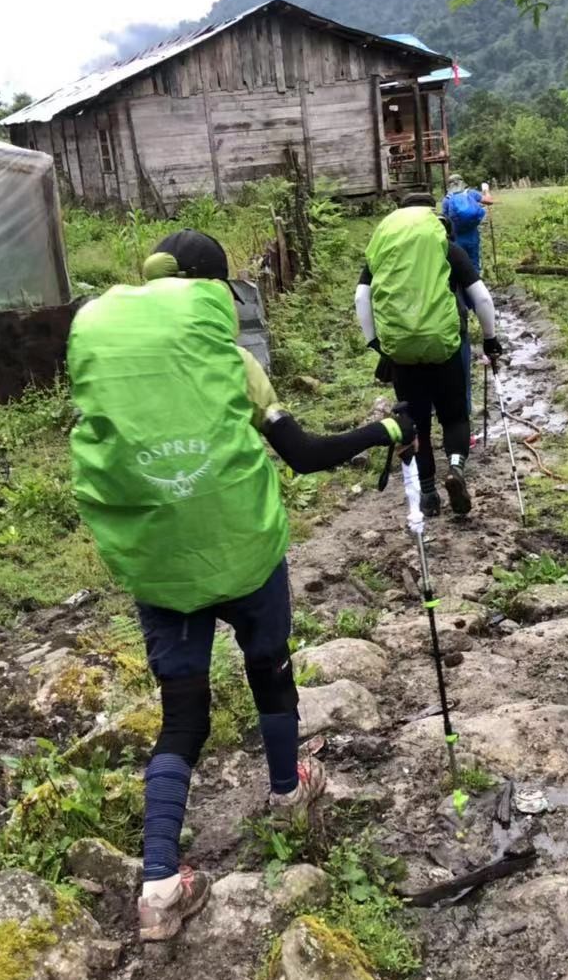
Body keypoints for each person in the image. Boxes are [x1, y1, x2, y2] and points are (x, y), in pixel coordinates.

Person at [67, 229, 416, 943]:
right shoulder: (235, 364)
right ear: (211, 296)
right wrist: (383, 429)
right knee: (269, 671)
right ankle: (289, 791)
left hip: (160, 564)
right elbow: (306, 456)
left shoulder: (107, 368)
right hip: (245, 555)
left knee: (183, 717)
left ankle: (160, 885)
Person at [355, 193, 501, 519]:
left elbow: (361, 298)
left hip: (402, 353)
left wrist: (376, 344)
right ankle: (456, 469)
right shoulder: (445, 245)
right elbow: (482, 299)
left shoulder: (384, 249)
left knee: (416, 422)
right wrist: (490, 340)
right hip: (445, 345)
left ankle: (429, 493)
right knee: (454, 416)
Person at [441, 176, 493, 420]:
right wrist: (486, 191)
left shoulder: (447, 199)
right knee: (474, 276)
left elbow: (445, 223)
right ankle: (474, 308)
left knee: (458, 279)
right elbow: (489, 202)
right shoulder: (471, 194)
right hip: (472, 241)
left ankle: (461, 301)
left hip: (456, 244)